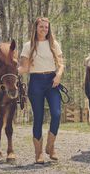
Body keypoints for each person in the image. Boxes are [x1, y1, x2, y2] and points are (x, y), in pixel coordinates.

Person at [18, 17, 64, 164]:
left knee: (56, 114)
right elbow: (24, 68)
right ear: (36, 28)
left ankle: (50, 147)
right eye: (41, 27)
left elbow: (61, 64)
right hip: (36, 82)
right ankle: (39, 154)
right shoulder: (28, 45)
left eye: (46, 27)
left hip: (52, 81)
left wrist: (58, 75)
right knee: (38, 117)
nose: (44, 29)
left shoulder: (54, 44)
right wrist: (11, 71)